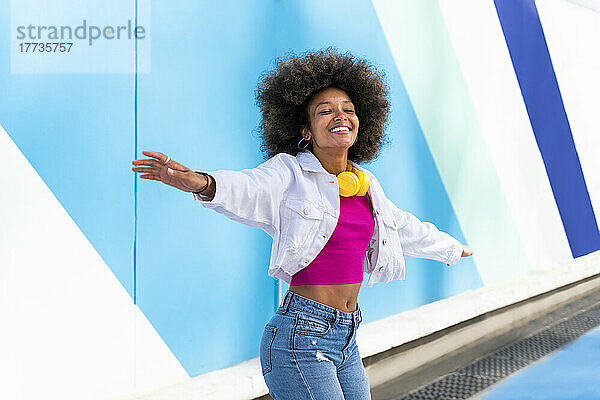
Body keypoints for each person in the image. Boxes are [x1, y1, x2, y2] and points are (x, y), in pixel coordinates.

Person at [131, 48, 473, 400]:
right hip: (300, 338)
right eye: (325, 111)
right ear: (305, 131)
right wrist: (204, 182)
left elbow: (402, 227)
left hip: (347, 336)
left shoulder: (366, 184)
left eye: (348, 110)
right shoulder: (289, 173)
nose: (340, 115)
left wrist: (451, 248)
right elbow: (249, 189)